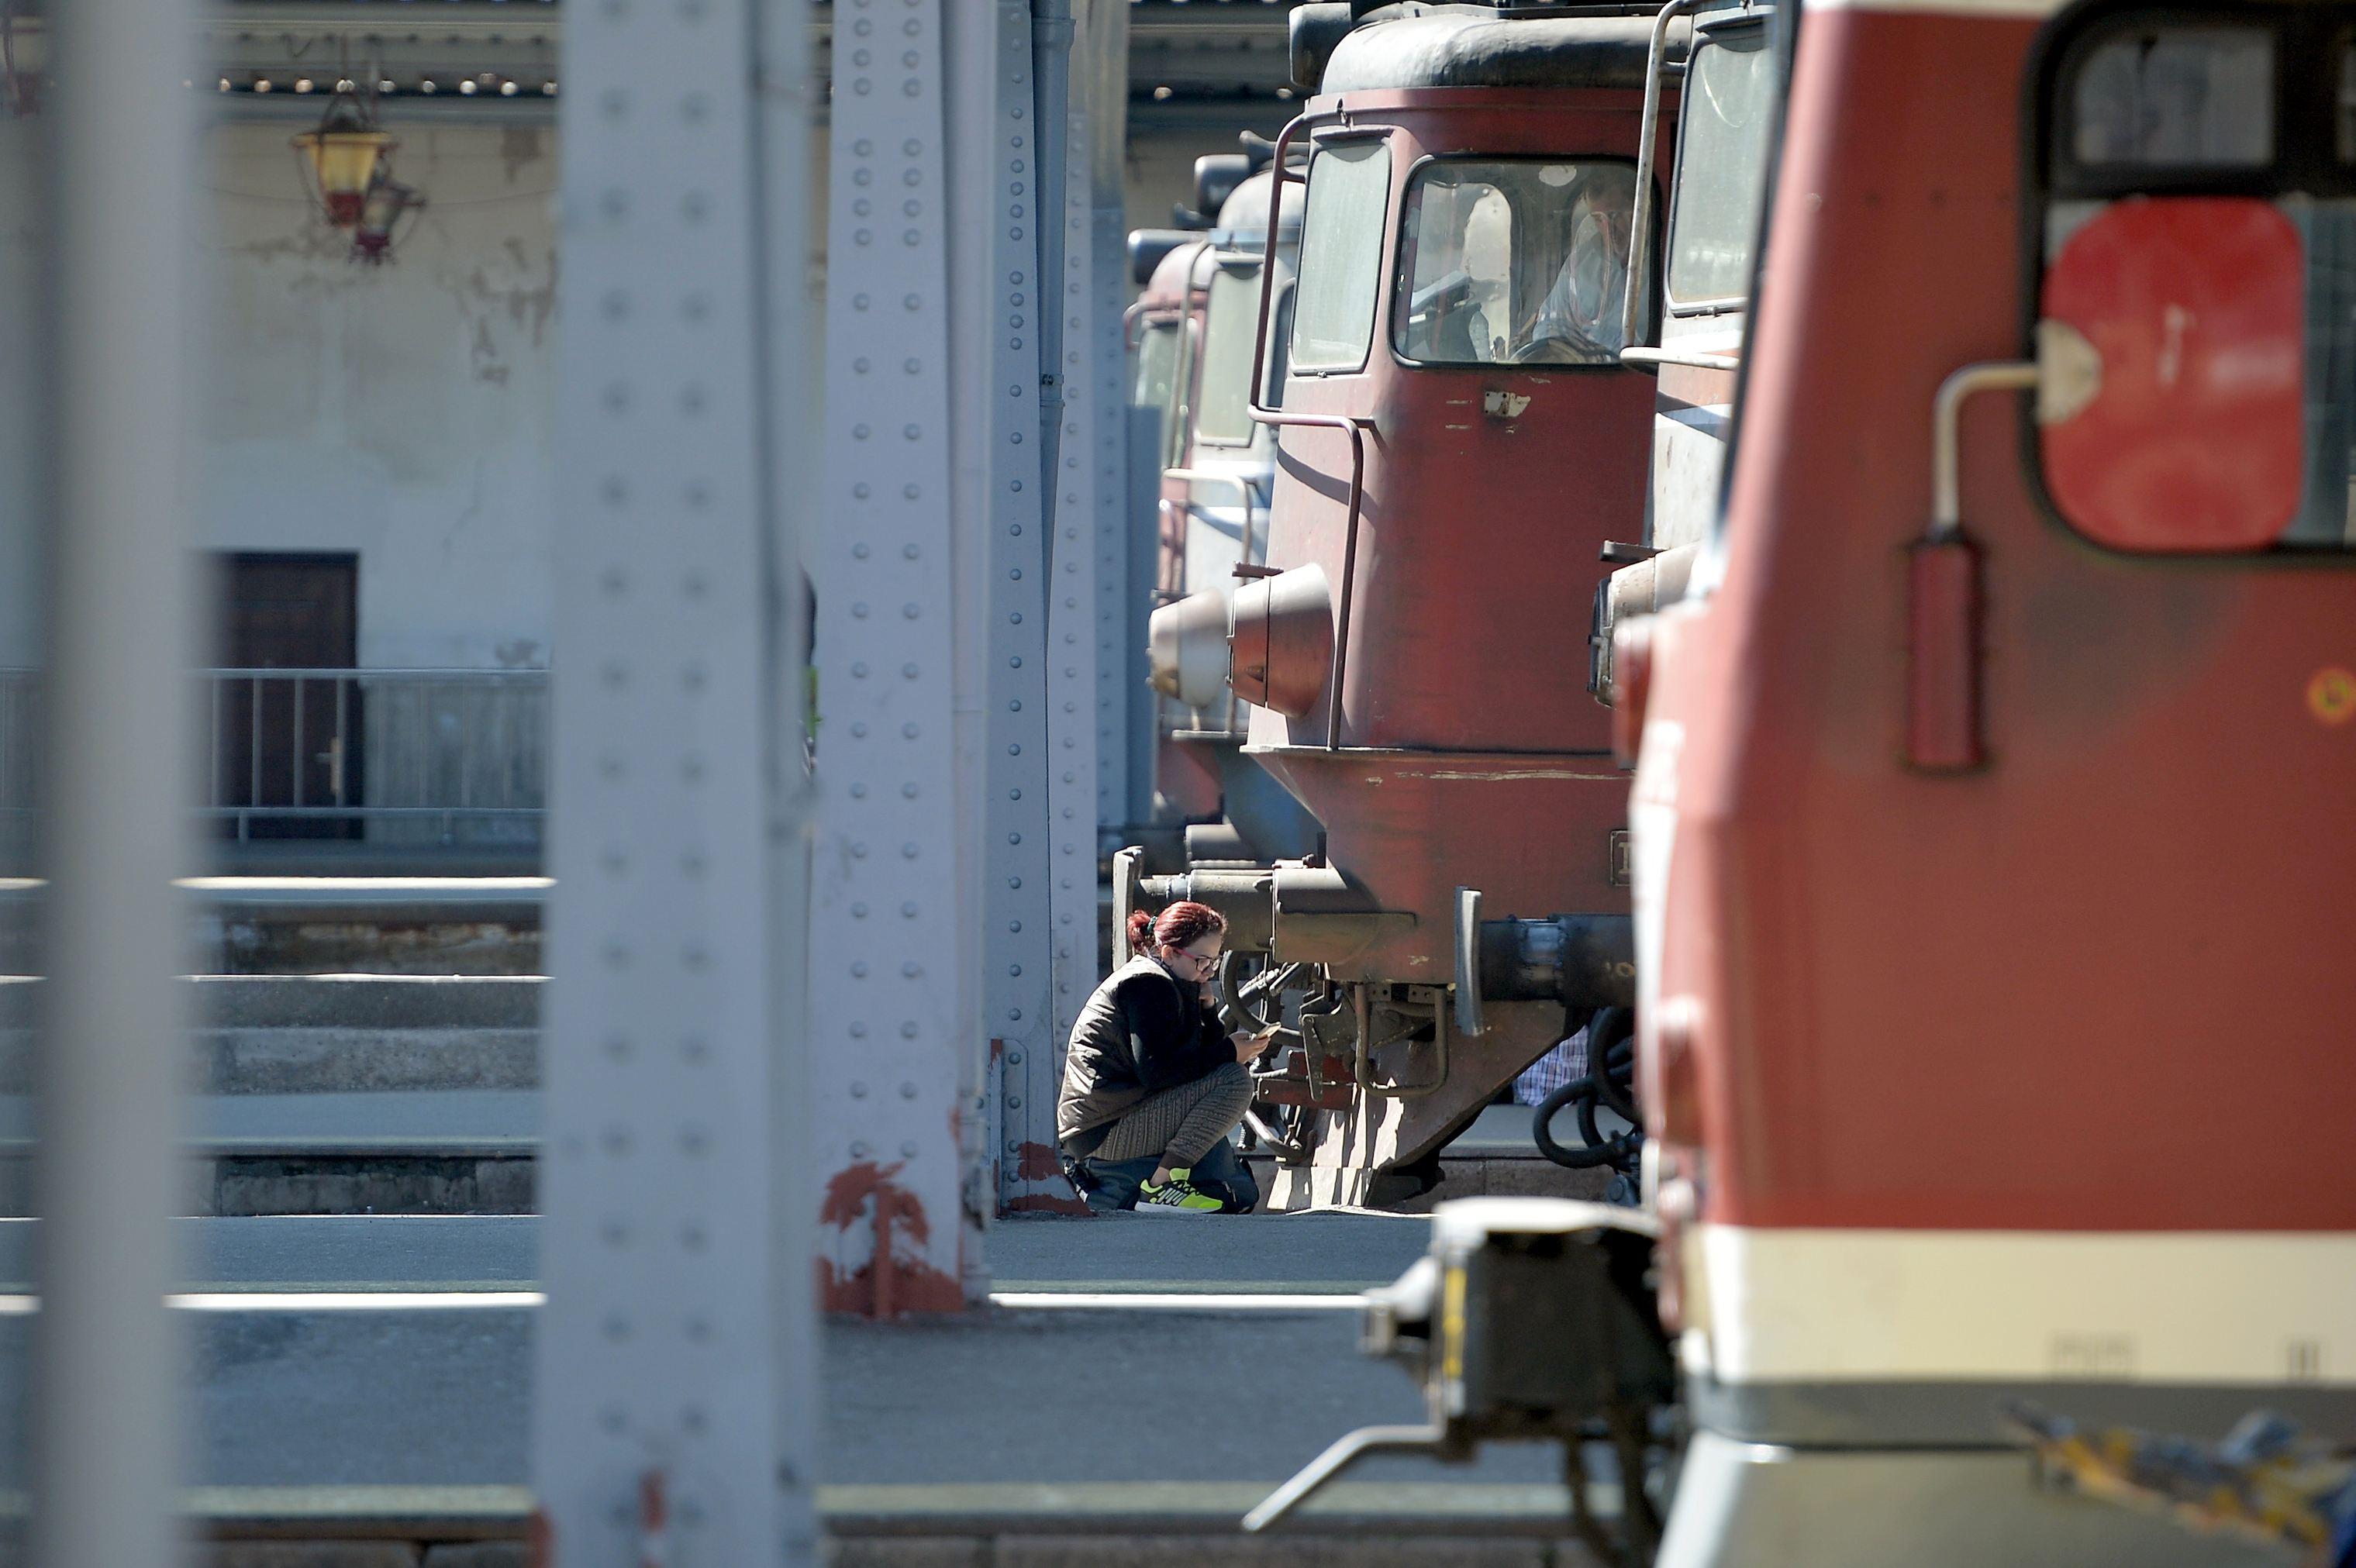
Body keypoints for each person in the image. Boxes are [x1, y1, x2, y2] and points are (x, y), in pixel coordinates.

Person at [1056, 901, 1275, 1214]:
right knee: (1235, 1080)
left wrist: (1208, 1010)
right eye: (1202, 961)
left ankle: (1168, 1181)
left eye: (1214, 962)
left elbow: (1195, 1060)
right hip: (1103, 1131)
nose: (1207, 971)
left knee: (1228, 1074)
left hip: (1117, 1119)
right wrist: (1230, 1051)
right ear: (1170, 952)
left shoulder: (1169, 978)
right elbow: (1158, 1071)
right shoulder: (1148, 984)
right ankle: (1161, 1186)